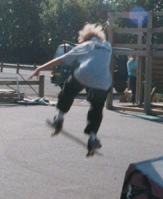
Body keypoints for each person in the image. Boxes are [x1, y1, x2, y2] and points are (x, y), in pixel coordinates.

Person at [30, 23, 113, 154]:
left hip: (84, 74)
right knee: (97, 107)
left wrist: (40, 68)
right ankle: (92, 137)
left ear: (85, 37)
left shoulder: (85, 45)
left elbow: (60, 60)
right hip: (104, 81)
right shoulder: (108, 46)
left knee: (68, 89)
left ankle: (59, 118)